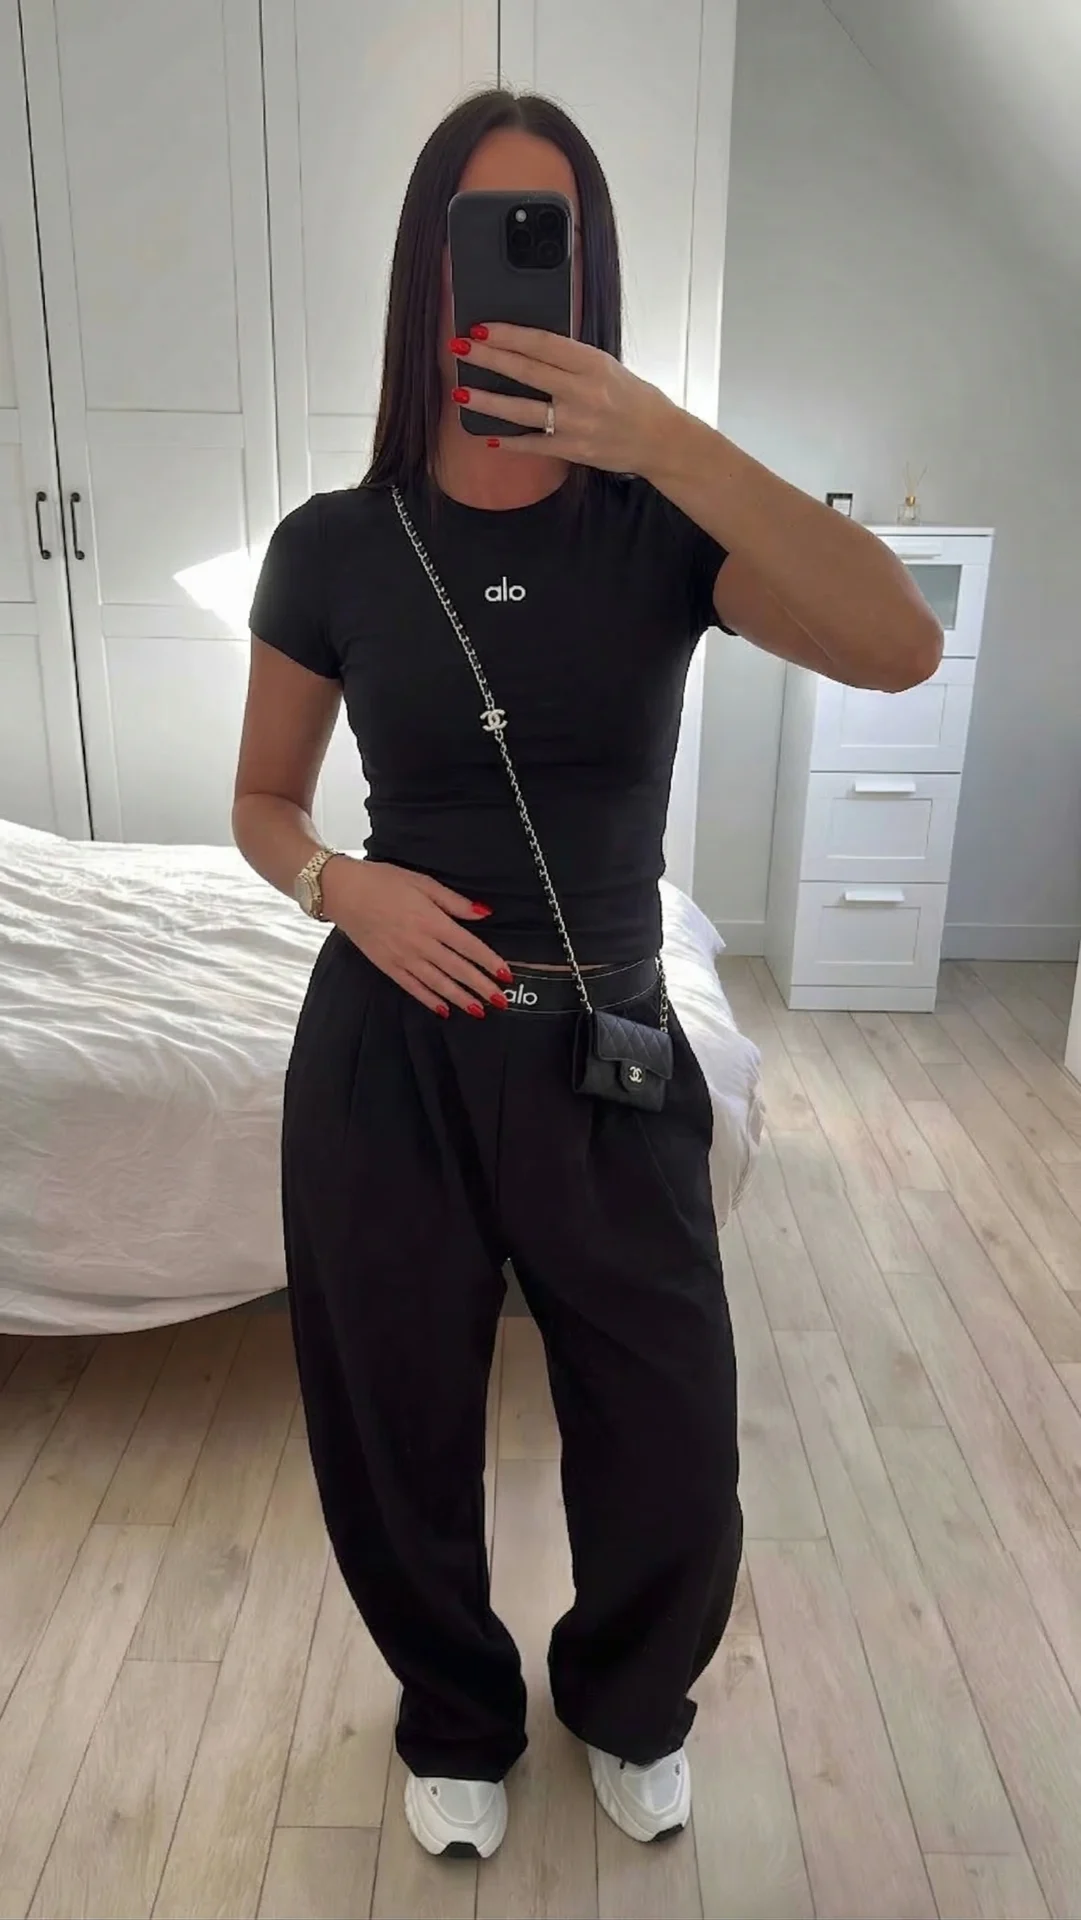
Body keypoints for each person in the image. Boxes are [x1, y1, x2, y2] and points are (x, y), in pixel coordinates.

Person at [232, 89, 942, 1862]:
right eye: (475, 235)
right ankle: (455, 1714)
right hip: (391, 1052)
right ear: (425, 274)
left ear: (588, 278)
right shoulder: (332, 544)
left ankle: (630, 1699)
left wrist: (668, 437)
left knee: (671, 1434)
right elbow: (260, 802)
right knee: (392, 1419)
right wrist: (341, 887)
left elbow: (899, 644)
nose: (502, 275)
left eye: (540, 239)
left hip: (609, 1042)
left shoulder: (661, 530)